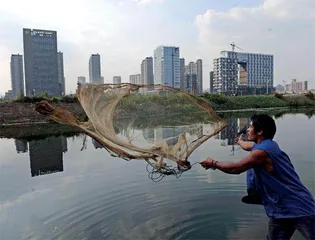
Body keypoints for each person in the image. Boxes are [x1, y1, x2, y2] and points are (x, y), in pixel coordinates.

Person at [200, 114, 315, 239]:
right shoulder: (268, 145)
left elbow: (236, 168)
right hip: (280, 209)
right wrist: (240, 142)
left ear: (260, 131)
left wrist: (213, 163)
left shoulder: (261, 152)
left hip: (299, 207)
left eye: (250, 127)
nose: (248, 129)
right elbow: (248, 146)